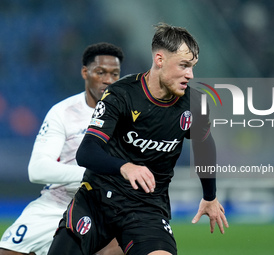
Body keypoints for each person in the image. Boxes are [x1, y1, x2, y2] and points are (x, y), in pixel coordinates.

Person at [47, 23, 229, 255]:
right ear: (160, 59)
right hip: (98, 200)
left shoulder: (196, 104)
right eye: (184, 66)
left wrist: (210, 197)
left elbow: (204, 145)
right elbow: (87, 151)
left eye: (192, 67)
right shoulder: (121, 94)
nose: (190, 75)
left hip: (147, 208)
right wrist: (124, 167)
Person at [0, 42, 125, 255]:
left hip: (105, 208)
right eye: (101, 72)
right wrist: (97, 175)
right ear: (85, 72)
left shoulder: (128, 115)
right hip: (58, 204)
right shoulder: (63, 112)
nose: (108, 80)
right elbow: (38, 170)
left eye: (115, 74)